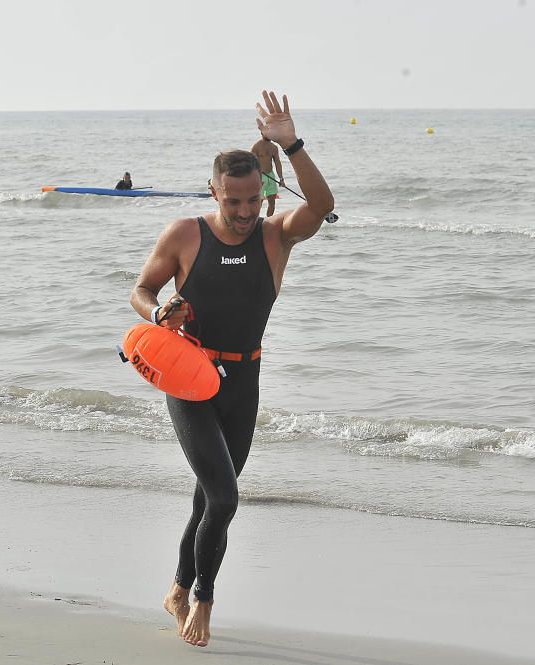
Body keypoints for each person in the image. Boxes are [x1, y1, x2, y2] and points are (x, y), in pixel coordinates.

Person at [129, 90, 333, 648]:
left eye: (252, 201)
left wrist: (290, 145)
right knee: (223, 500)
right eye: (232, 201)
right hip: (190, 379)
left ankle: (176, 586)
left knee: (207, 498)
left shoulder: (275, 237)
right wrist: (159, 310)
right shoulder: (185, 235)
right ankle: (202, 600)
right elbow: (141, 290)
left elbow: (320, 205)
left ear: (261, 193)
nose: (244, 213)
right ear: (214, 191)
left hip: (244, 383)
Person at [251, 130, 285, 216]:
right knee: (259, 202)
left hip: (271, 176)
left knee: (272, 202)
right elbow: (250, 163)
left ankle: (268, 222)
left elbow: (277, 163)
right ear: (262, 133)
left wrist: (281, 179)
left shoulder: (274, 147)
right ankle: (255, 222)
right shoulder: (256, 147)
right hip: (259, 177)